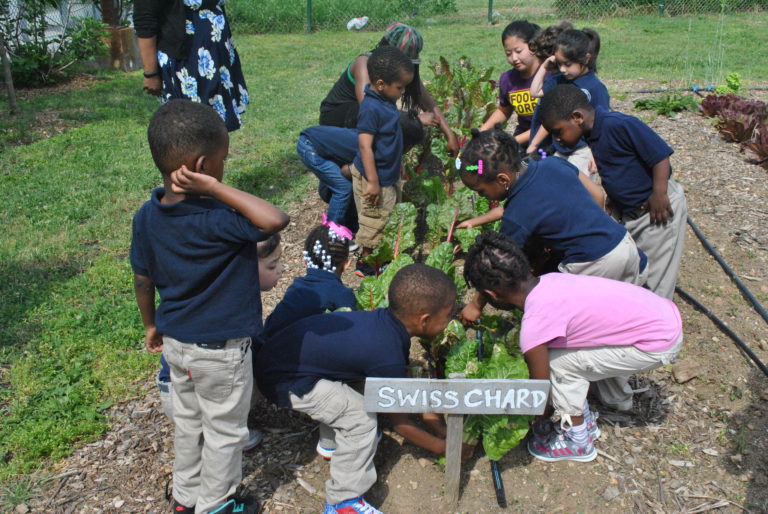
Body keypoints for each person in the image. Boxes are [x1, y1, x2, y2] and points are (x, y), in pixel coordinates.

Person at [130, 99, 289, 513]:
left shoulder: (146, 217)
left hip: (176, 345)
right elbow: (275, 219)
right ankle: (217, 505)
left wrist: (150, 326)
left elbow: (142, 278)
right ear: (202, 165)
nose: (225, 168)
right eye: (223, 161)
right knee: (223, 431)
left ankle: (185, 498)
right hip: (220, 351)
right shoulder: (219, 216)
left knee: (189, 425)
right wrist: (216, 189)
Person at [463, 232, 683, 462]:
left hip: (657, 344)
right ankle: (581, 416)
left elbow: (541, 389)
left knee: (557, 364)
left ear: (491, 295)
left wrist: (536, 417)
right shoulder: (551, 280)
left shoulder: (535, 325)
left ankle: (578, 440)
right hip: (663, 315)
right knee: (560, 356)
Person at [256, 264, 456, 514]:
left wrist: (440, 428)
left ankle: (332, 445)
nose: (450, 321)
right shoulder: (388, 353)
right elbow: (401, 424)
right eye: (448, 315)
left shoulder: (384, 324)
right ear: (424, 319)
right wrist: (442, 447)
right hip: (284, 381)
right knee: (361, 420)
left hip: (283, 362)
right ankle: (343, 501)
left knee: (352, 394)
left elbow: (403, 390)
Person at [457, 128, 647, 320]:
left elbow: (498, 265)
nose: (482, 196)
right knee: (630, 310)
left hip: (594, 263)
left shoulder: (517, 215)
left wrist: (475, 305)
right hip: (623, 243)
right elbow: (598, 194)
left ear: (503, 180)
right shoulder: (553, 163)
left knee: (586, 321)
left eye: (481, 191)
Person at [539, 84, 688, 300]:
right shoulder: (593, 133)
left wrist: (659, 193)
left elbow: (660, 156)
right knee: (637, 271)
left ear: (577, 117)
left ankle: (661, 327)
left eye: (558, 132)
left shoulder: (618, 124)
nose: (557, 139)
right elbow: (619, 168)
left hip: (657, 209)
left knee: (657, 280)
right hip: (632, 211)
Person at [154, 234, 283, 457]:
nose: (281, 269)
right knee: (258, 365)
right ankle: (227, 437)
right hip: (205, 384)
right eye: (273, 264)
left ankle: (204, 437)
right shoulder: (239, 308)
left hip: (173, 388)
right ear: (243, 268)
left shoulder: (208, 291)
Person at [319, 22, 459, 156]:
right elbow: (369, 109)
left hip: (363, 118)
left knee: (405, 124)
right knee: (404, 122)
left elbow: (428, 103)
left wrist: (450, 135)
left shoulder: (399, 70)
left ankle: (385, 162)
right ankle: (353, 166)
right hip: (338, 119)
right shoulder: (365, 65)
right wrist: (415, 120)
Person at [297, 112, 425, 235]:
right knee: (343, 188)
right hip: (310, 146)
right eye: (409, 147)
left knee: (341, 183)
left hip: (320, 142)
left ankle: (342, 215)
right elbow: (346, 171)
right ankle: (331, 234)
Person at [133, 0, 248, 132]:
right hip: (186, 63)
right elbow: (144, 19)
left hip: (218, 58)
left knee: (216, 127)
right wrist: (150, 73)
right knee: (188, 129)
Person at [350, 46, 414, 277]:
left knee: (386, 215)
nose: (403, 91)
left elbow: (389, 138)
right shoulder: (370, 107)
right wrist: (373, 181)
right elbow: (365, 146)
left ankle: (382, 258)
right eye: (400, 87)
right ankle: (366, 264)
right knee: (373, 220)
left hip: (387, 173)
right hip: (374, 177)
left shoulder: (385, 101)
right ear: (380, 83)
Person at [527, 27, 608, 175]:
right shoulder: (558, 80)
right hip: (560, 148)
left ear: (586, 59)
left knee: (575, 186)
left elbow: (602, 123)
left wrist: (597, 154)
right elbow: (535, 92)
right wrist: (544, 67)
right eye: (559, 64)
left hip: (583, 150)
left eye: (568, 64)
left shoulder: (595, 88)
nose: (563, 69)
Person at [479, 20, 543, 145]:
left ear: (533, 46)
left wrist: (512, 141)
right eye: (508, 53)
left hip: (548, 139)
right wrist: (483, 131)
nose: (514, 58)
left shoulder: (549, 76)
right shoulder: (508, 79)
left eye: (518, 51)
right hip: (522, 139)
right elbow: (504, 110)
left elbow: (549, 125)